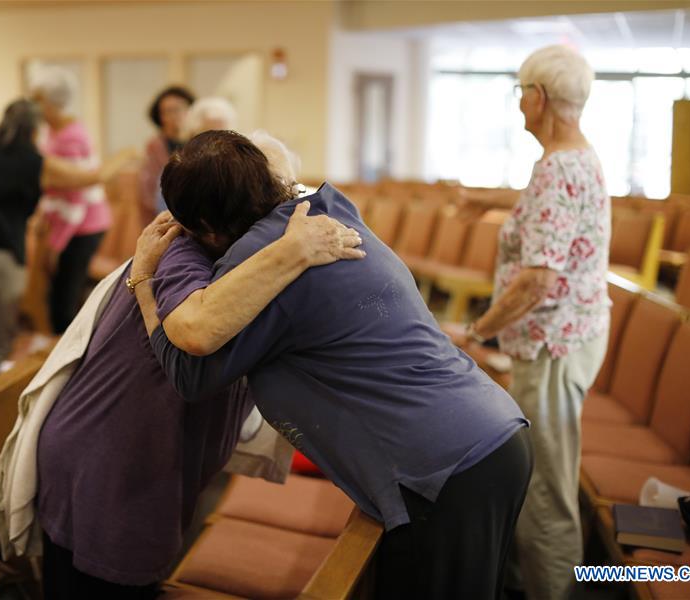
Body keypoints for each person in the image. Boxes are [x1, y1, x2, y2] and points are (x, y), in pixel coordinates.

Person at [133, 130, 534, 599]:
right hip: (488, 435)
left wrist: (145, 279)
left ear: (204, 224)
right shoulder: (327, 209)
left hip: (445, 467)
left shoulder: (261, 262)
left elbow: (189, 372)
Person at [0, 133, 363, 598]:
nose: (281, 213)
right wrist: (294, 250)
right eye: (269, 199)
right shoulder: (180, 252)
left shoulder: (235, 253)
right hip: (111, 463)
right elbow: (193, 333)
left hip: (137, 457)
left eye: (286, 195)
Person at [458, 45, 610, 600]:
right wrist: (486, 198)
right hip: (569, 338)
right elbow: (548, 211)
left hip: (552, 345)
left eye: (521, 91)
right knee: (541, 476)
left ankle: (555, 591)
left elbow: (538, 281)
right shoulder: (573, 158)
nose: (520, 102)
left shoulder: (557, 167)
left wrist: (477, 332)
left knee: (545, 488)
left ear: (538, 97)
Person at [0, 99, 130, 393]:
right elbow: (92, 178)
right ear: (34, 130)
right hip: (4, 260)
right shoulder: (36, 163)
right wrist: (124, 155)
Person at [31, 67, 112, 334]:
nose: (35, 106)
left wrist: (56, 244)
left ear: (51, 103)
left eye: (37, 100)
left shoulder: (70, 137)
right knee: (62, 295)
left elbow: (76, 196)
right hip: (71, 226)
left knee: (63, 302)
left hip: (81, 227)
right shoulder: (57, 131)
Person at [139, 86, 195, 220]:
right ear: (160, 117)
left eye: (178, 109)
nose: (174, 115)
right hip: (166, 213)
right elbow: (149, 189)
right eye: (167, 111)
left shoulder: (198, 140)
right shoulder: (154, 146)